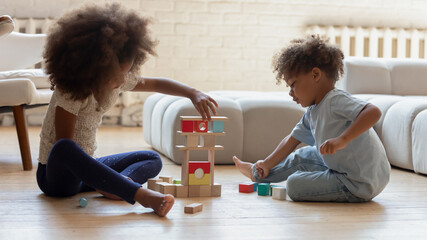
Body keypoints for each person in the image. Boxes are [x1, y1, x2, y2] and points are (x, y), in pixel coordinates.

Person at [37, 3, 218, 217]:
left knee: (152, 158)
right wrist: (103, 178)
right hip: (58, 179)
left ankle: (114, 185)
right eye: (118, 75)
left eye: (127, 72)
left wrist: (193, 93)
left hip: (89, 173)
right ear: (95, 68)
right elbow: (65, 150)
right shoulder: (70, 91)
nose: (124, 80)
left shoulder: (117, 80)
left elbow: (158, 83)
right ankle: (139, 194)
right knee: (65, 147)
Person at [233, 35, 390, 202]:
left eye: (293, 85)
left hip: (357, 181)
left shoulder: (335, 100)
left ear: (315, 75)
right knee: (302, 155)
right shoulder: (313, 110)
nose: (290, 93)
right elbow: (291, 141)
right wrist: (267, 163)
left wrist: (342, 139)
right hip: (343, 167)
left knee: (294, 185)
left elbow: (373, 112)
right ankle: (257, 174)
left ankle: (321, 180)